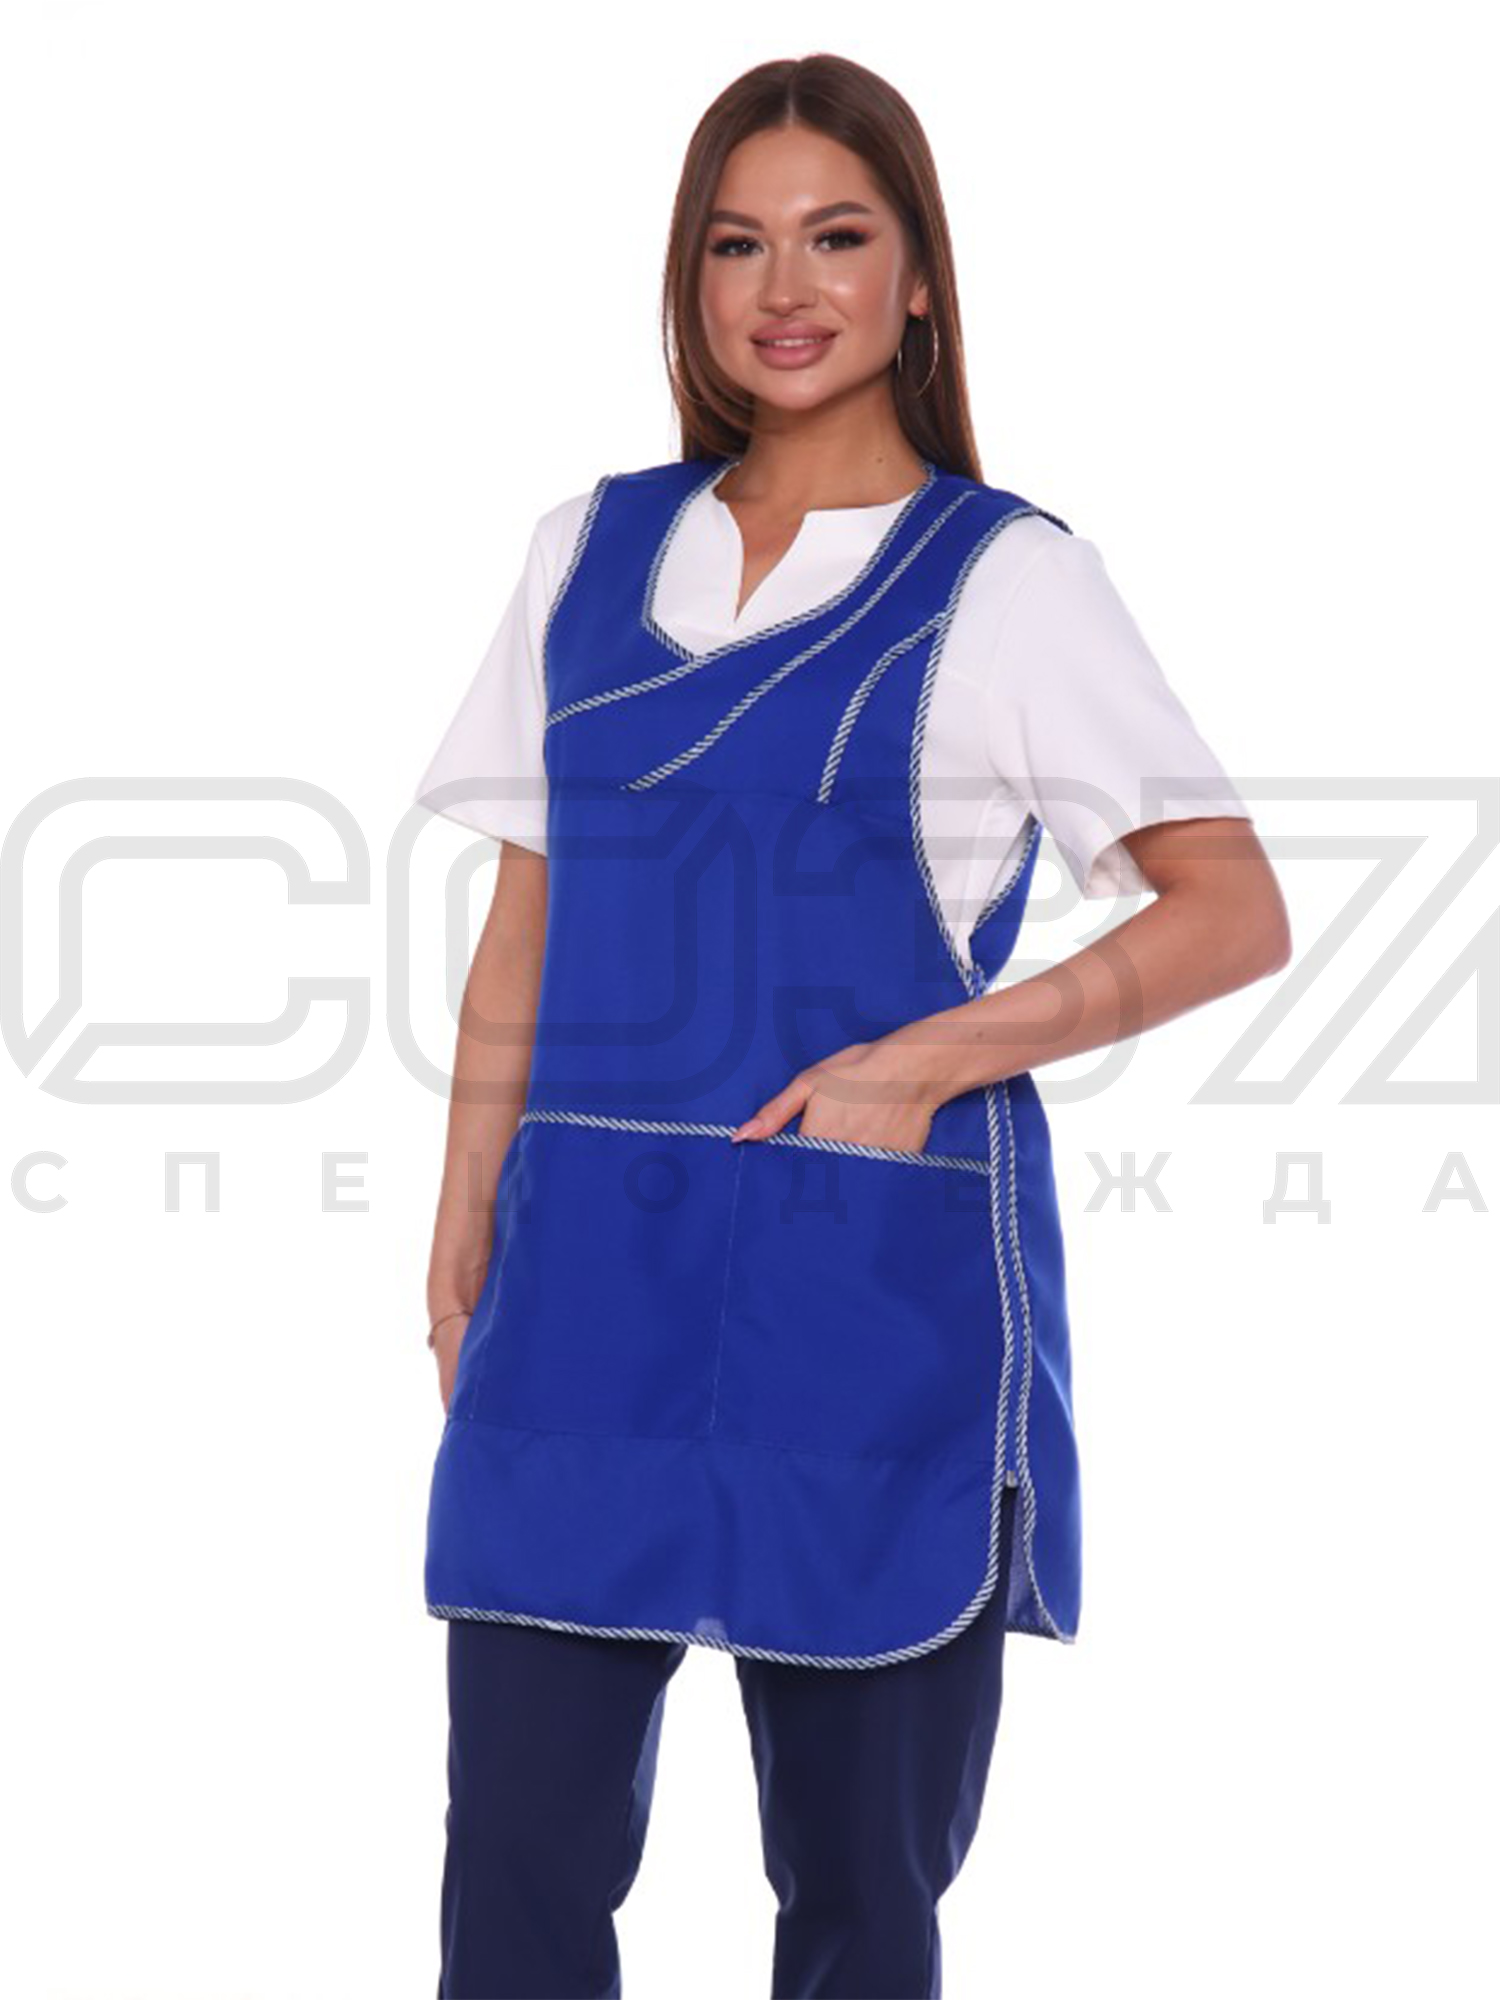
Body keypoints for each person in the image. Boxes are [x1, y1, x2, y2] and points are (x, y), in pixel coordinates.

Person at [412, 53, 1290, 2000]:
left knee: (860, 1901)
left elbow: (1233, 906)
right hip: (584, 1294)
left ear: (918, 279)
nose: (783, 288)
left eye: (836, 237)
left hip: (865, 1305)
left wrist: (929, 1056)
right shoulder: (583, 555)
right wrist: (463, 1223)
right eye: (736, 244)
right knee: (515, 1877)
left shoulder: (1011, 580)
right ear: (689, 278)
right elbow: (524, 925)